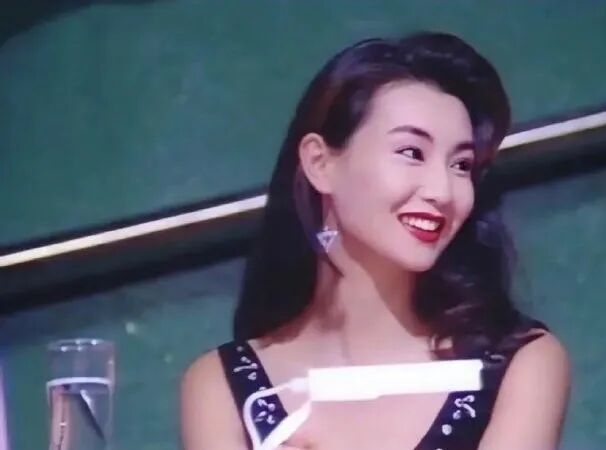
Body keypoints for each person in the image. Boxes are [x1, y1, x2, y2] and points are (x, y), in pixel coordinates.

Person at [180, 31, 570, 450]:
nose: (442, 190)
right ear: (320, 163)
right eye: (412, 152)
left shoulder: (518, 363)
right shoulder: (222, 387)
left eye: (461, 165)